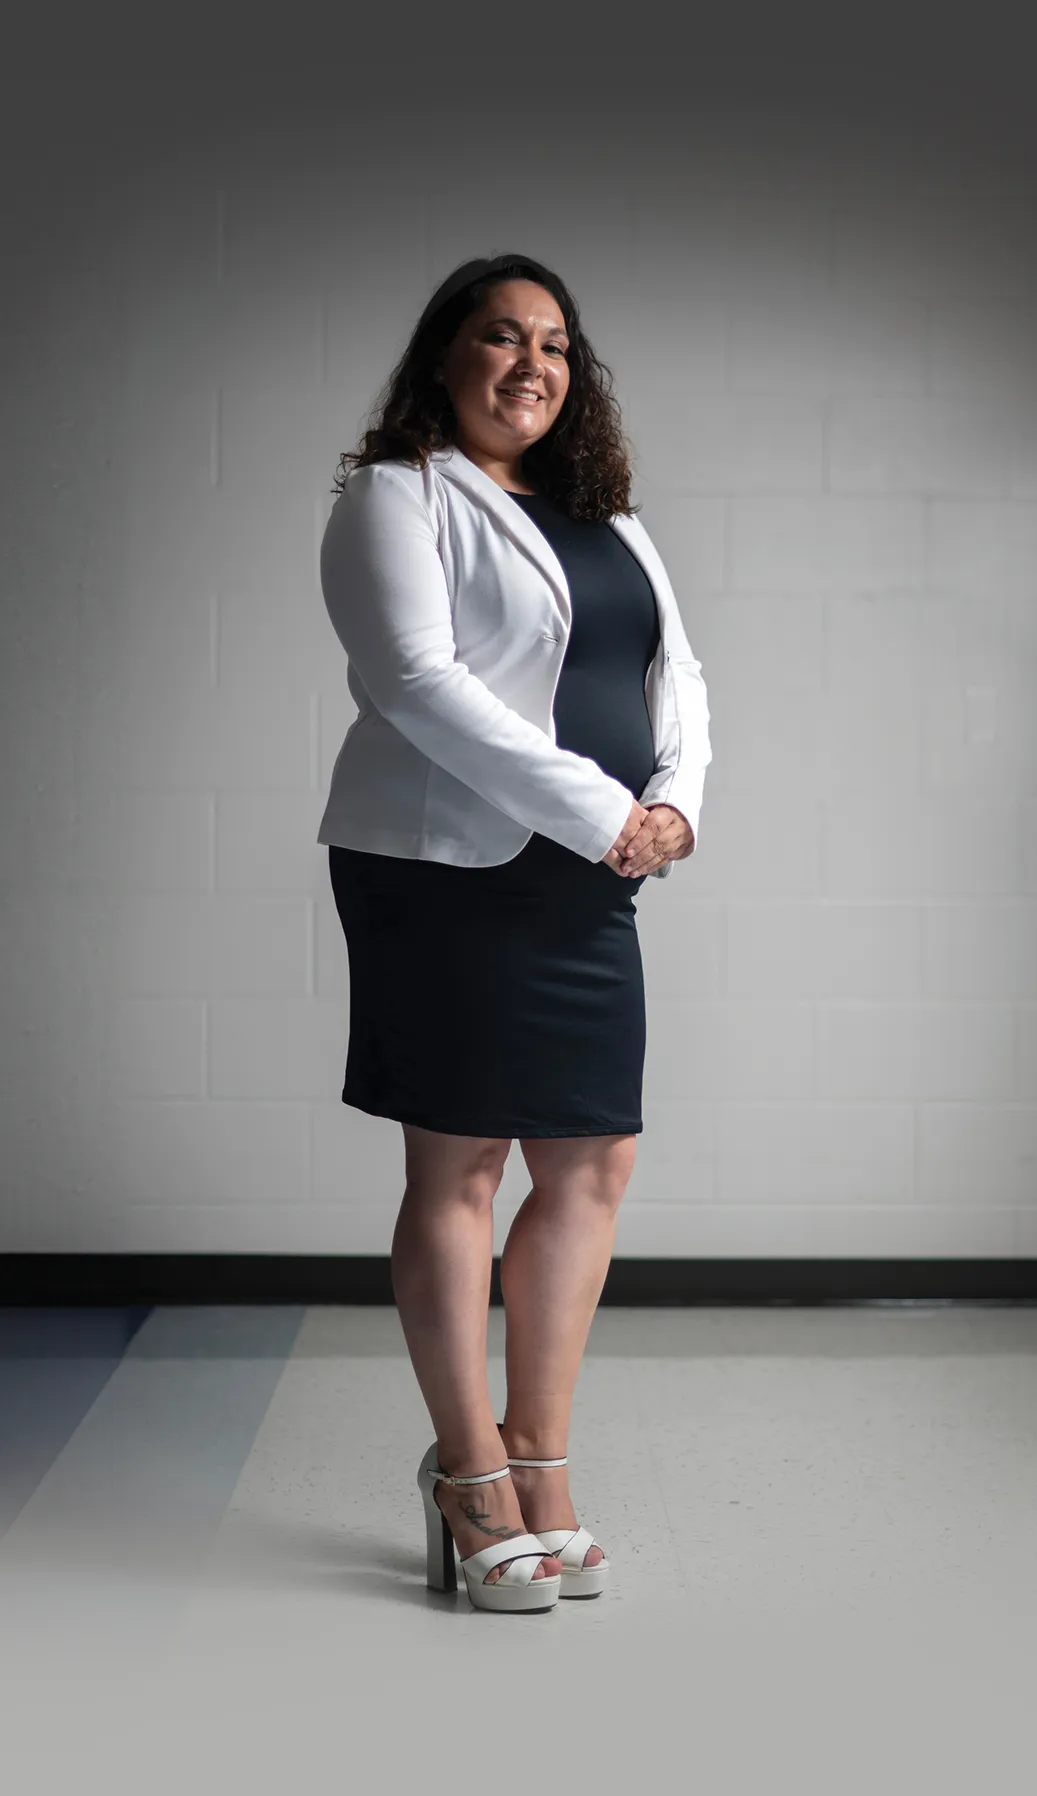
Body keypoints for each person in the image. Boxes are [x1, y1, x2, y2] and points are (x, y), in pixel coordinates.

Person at [318, 253, 712, 1613]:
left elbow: (678, 672)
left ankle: (542, 1460)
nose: (531, 363)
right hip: (449, 871)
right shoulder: (395, 495)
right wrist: (602, 809)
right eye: (499, 337)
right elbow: (414, 681)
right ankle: (471, 1474)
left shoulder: (608, 515)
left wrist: (674, 802)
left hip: (592, 871)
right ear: (447, 357)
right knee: (465, 1163)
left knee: (595, 1158)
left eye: (553, 343)